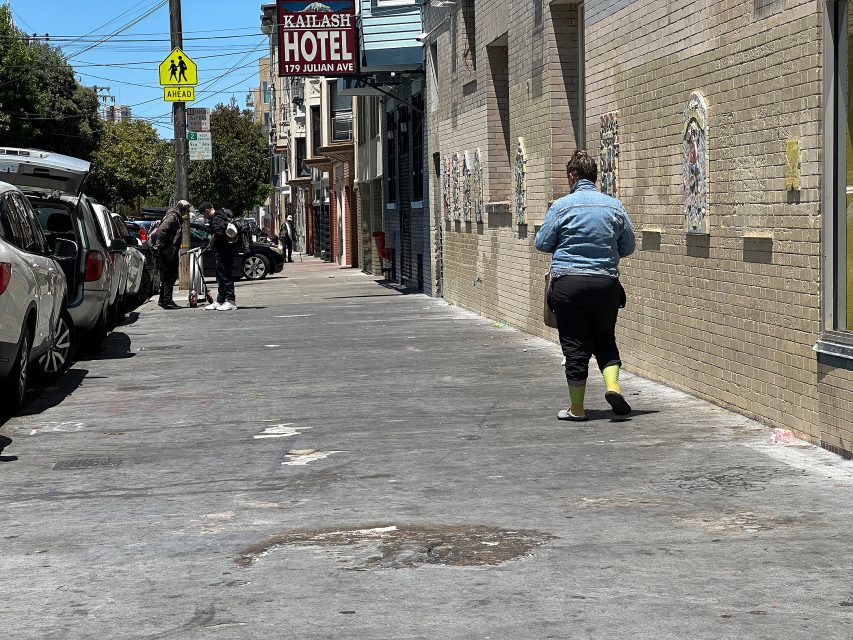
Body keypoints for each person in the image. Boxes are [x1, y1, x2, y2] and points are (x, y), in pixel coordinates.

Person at [534, 150, 636, 421]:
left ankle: (577, 409)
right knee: (605, 338)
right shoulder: (614, 206)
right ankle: (613, 386)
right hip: (605, 284)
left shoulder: (561, 206)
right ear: (595, 176)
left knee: (574, 345)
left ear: (572, 175)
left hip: (569, 285)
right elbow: (628, 246)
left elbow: (542, 243)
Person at [152, 199, 190, 310]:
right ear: (182, 209)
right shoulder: (173, 216)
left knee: (168, 276)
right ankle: (167, 301)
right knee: (170, 276)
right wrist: (159, 245)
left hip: (169, 250)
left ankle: (163, 299)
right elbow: (162, 230)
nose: (186, 213)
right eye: (186, 210)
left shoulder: (175, 216)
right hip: (168, 251)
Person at [199, 202, 238, 311]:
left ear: (207, 210)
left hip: (223, 251)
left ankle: (230, 301)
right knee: (221, 276)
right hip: (224, 251)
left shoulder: (216, 219)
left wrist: (212, 241)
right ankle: (220, 300)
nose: (204, 217)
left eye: (203, 214)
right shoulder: (220, 216)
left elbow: (219, 233)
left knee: (225, 276)